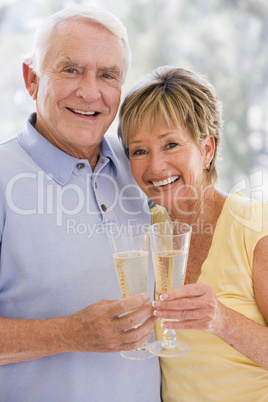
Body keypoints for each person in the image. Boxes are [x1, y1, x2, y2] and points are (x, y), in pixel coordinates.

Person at [0, 5, 161, 402]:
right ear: (32, 79)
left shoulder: (143, 172)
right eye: (71, 70)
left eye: (107, 75)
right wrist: (68, 333)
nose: (90, 92)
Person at [118, 66, 268, 401]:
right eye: (139, 150)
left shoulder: (255, 226)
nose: (155, 167)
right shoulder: (145, 231)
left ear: (208, 150)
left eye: (171, 144)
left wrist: (221, 320)